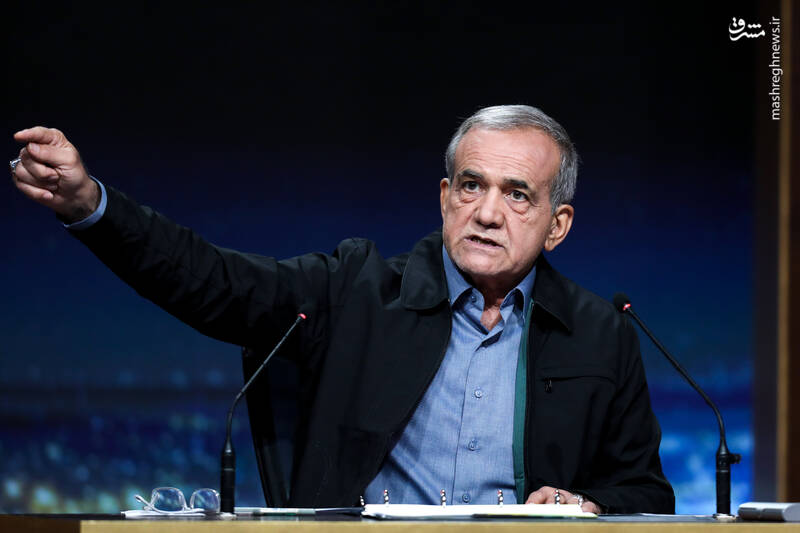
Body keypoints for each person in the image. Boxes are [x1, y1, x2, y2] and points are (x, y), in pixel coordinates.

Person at [10, 105, 674, 514]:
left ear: (557, 225)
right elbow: (209, 280)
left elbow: (646, 494)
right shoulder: (355, 289)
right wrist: (92, 206)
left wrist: (585, 505)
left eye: (517, 194)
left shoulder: (602, 334)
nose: (488, 212)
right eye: (472, 185)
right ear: (446, 196)